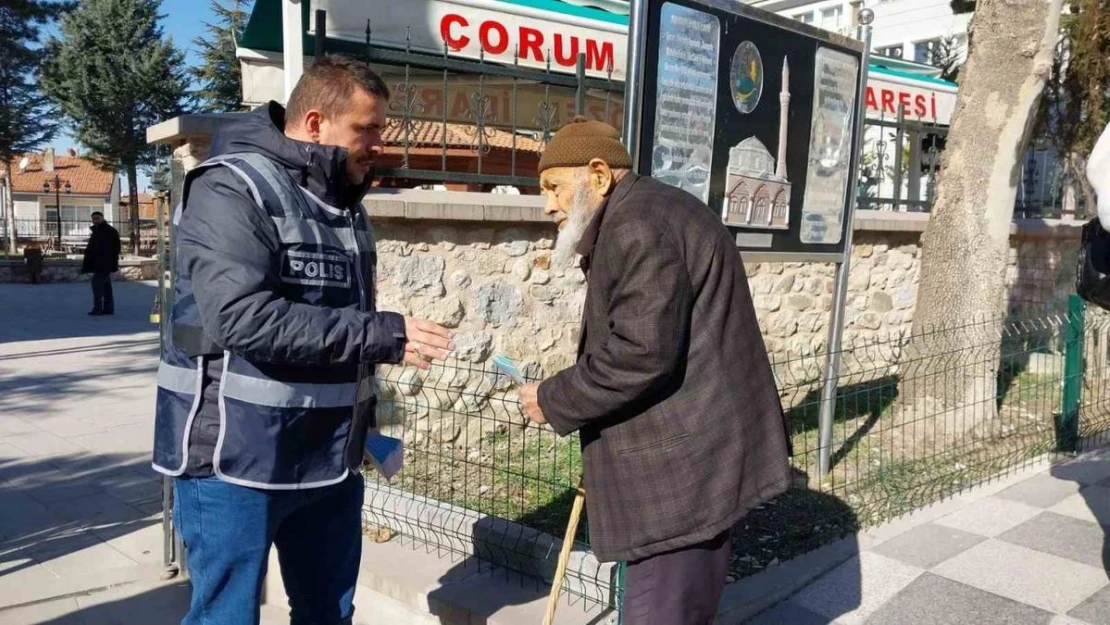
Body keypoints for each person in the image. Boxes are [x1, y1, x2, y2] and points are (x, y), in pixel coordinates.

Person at [151, 55, 454, 625]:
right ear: (315, 123)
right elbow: (242, 318)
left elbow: (338, 334)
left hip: (329, 461)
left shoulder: (344, 206)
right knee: (227, 617)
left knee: (327, 614)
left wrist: (366, 431)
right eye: (368, 128)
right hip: (235, 461)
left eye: (382, 129)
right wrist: (385, 333)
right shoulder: (231, 186)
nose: (379, 143)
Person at [519, 117, 793, 625]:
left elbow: (641, 352)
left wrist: (552, 398)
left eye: (554, 187)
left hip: (682, 475)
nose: (548, 204)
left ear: (598, 176)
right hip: (690, 458)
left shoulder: (637, 225)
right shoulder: (644, 212)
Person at [81, 211, 121, 315]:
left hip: (104, 263)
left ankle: (98, 309)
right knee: (106, 286)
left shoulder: (108, 231)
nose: (95, 221)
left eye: (97, 218)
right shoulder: (98, 231)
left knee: (97, 285)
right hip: (101, 263)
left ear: (102, 218)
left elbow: (115, 248)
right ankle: (108, 309)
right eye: (94, 219)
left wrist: (108, 260)